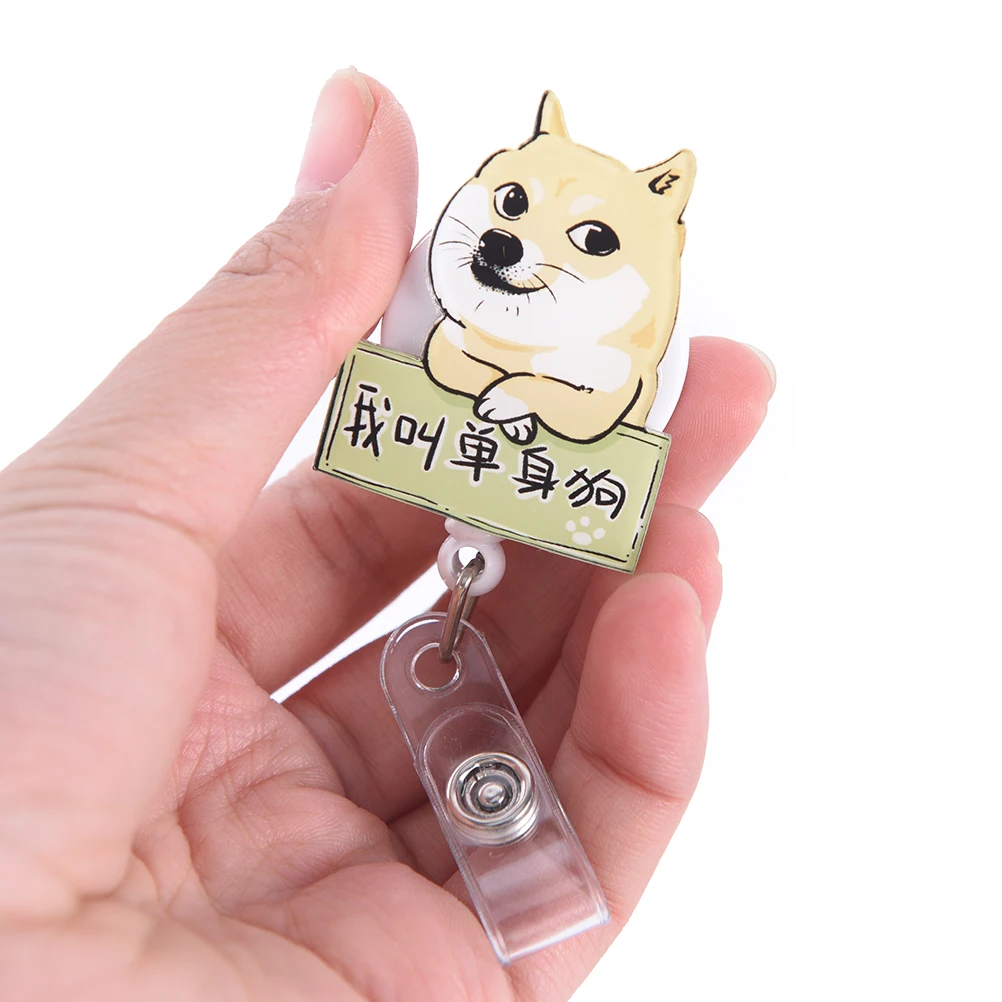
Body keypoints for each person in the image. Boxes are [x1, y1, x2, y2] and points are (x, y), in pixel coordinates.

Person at [0, 70, 774, 1000]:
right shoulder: (444, 325)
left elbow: (602, 402)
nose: (521, 241)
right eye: (513, 205)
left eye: (590, 241)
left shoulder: (616, 362)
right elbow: (444, 348)